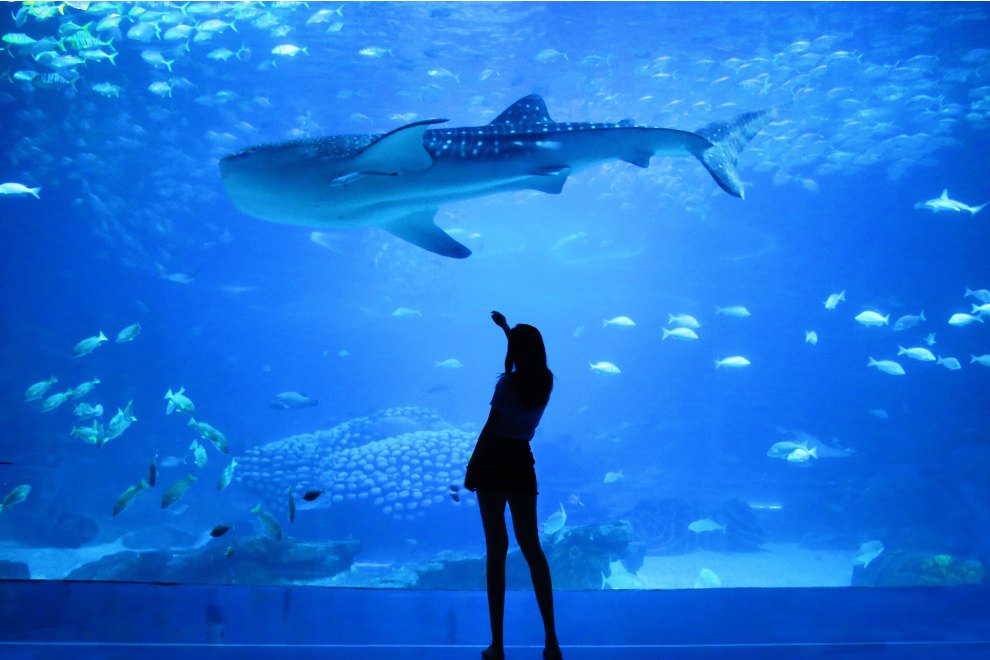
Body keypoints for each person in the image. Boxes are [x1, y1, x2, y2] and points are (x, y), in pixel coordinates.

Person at [464, 311, 562, 660]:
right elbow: (524, 355)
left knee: (496, 550)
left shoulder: (506, 384)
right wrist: (507, 331)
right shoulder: (546, 381)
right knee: (532, 549)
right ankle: (551, 642)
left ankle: (498, 645)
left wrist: (472, 465)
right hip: (522, 462)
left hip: (493, 462)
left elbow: (491, 427)